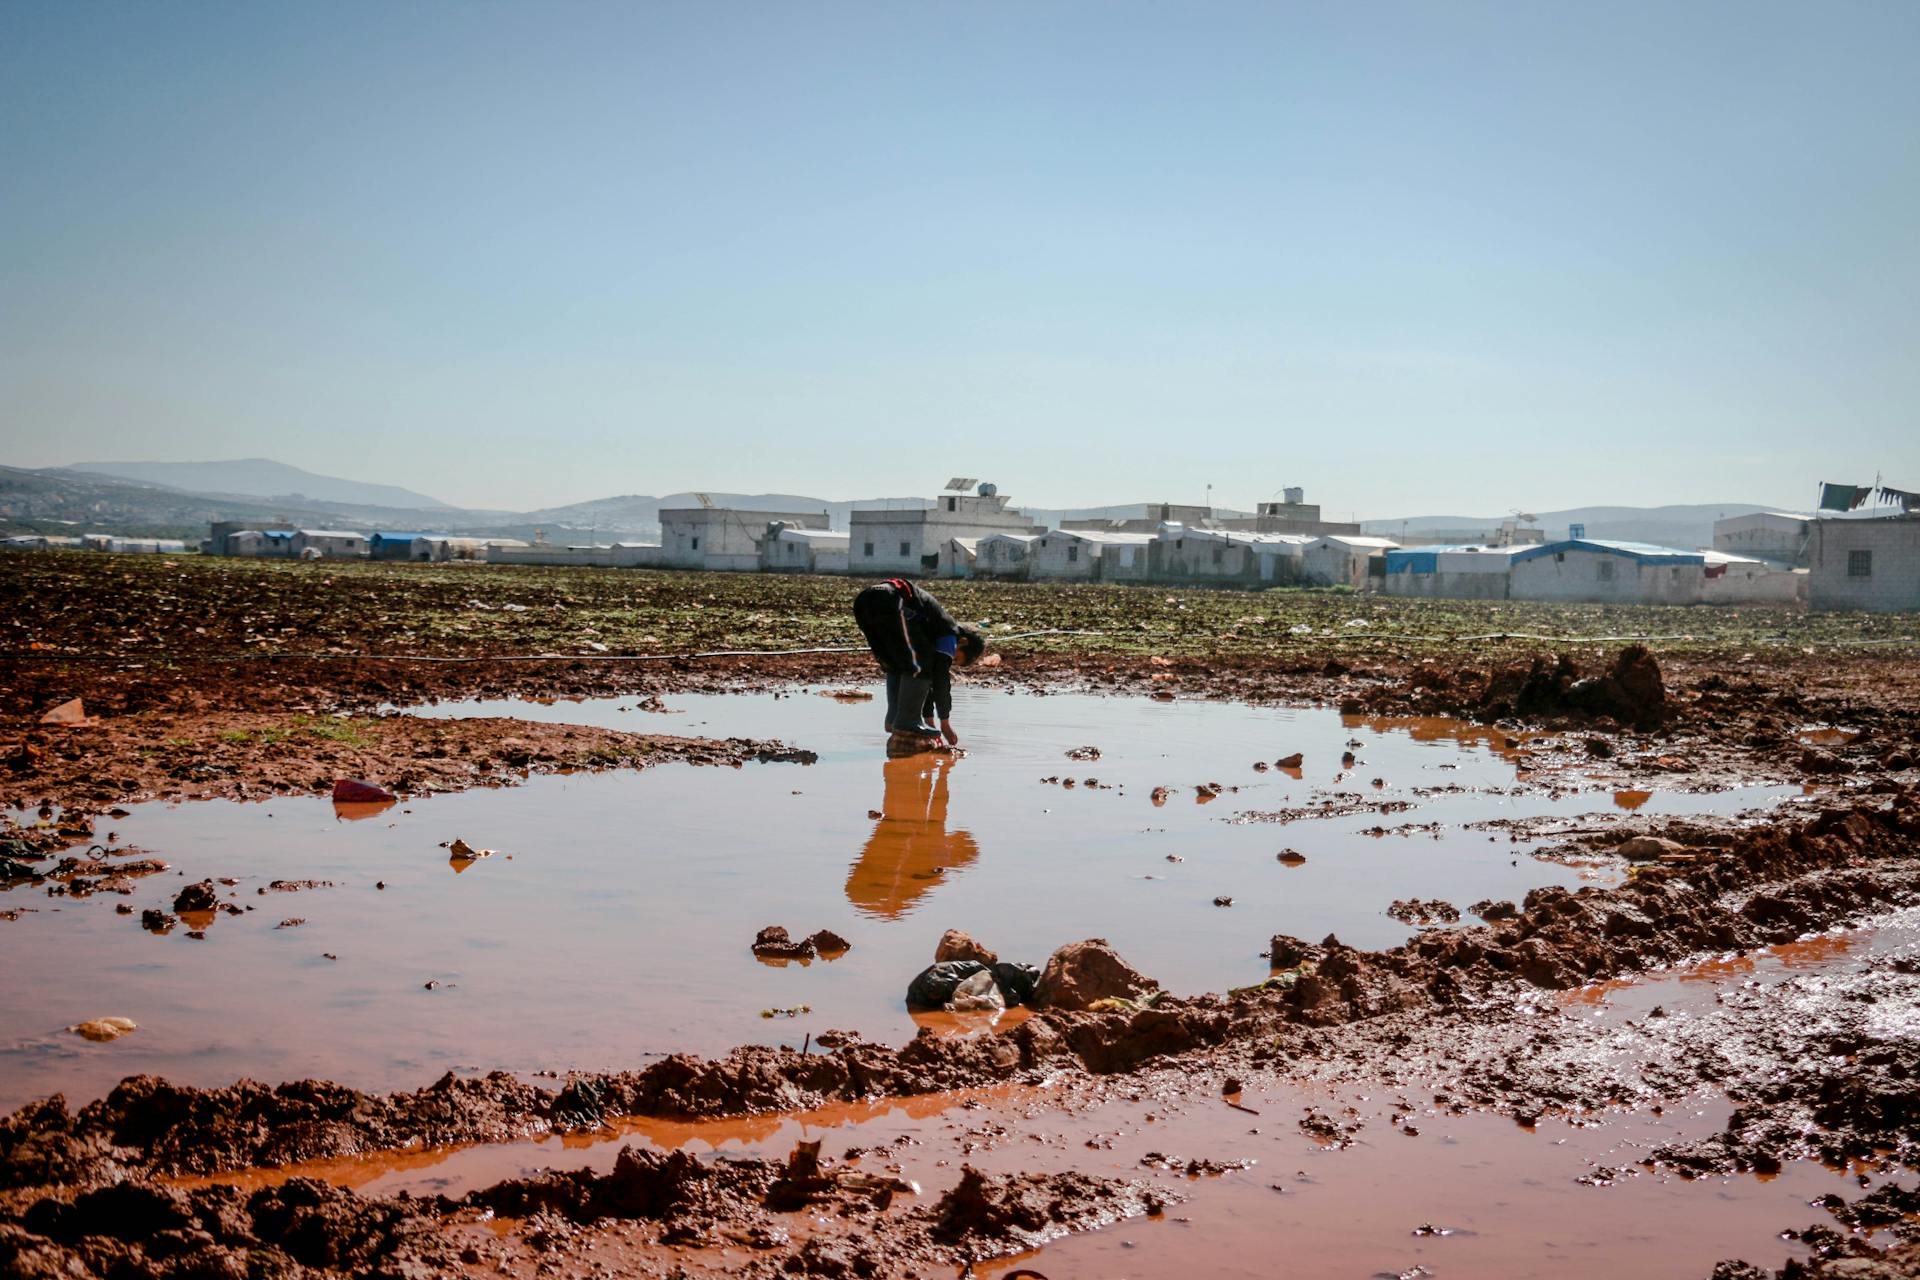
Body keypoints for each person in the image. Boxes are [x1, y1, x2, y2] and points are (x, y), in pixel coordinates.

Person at [851, 578, 986, 748]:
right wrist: (945, 723)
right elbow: (940, 678)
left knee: (896, 666)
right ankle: (906, 721)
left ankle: (894, 720)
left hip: (863, 602)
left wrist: (928, 722)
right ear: (963, 642)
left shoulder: (930, 634)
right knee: (919, 665)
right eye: (956, 658)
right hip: (890, 599)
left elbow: (925, 681)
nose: (950, 660)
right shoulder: (950, 634)